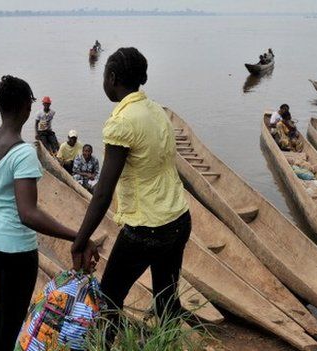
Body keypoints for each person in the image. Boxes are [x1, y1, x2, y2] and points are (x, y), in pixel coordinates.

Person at [0, 75, 97, 351]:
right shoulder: (23, 154)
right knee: (13, 317)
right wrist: (77, 235)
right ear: (27, 108)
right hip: (15, 249)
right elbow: (28, 214)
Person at [70, 47, 191, 339]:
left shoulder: (122, 122)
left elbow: (102, 192)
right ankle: (168, 343)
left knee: (108, 301)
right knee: (166, 299)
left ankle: (105, 345)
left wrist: (80, 241)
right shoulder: (157, 111)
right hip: (178, 219)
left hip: (146, 229)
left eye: (104, 77)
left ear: (111, 78)